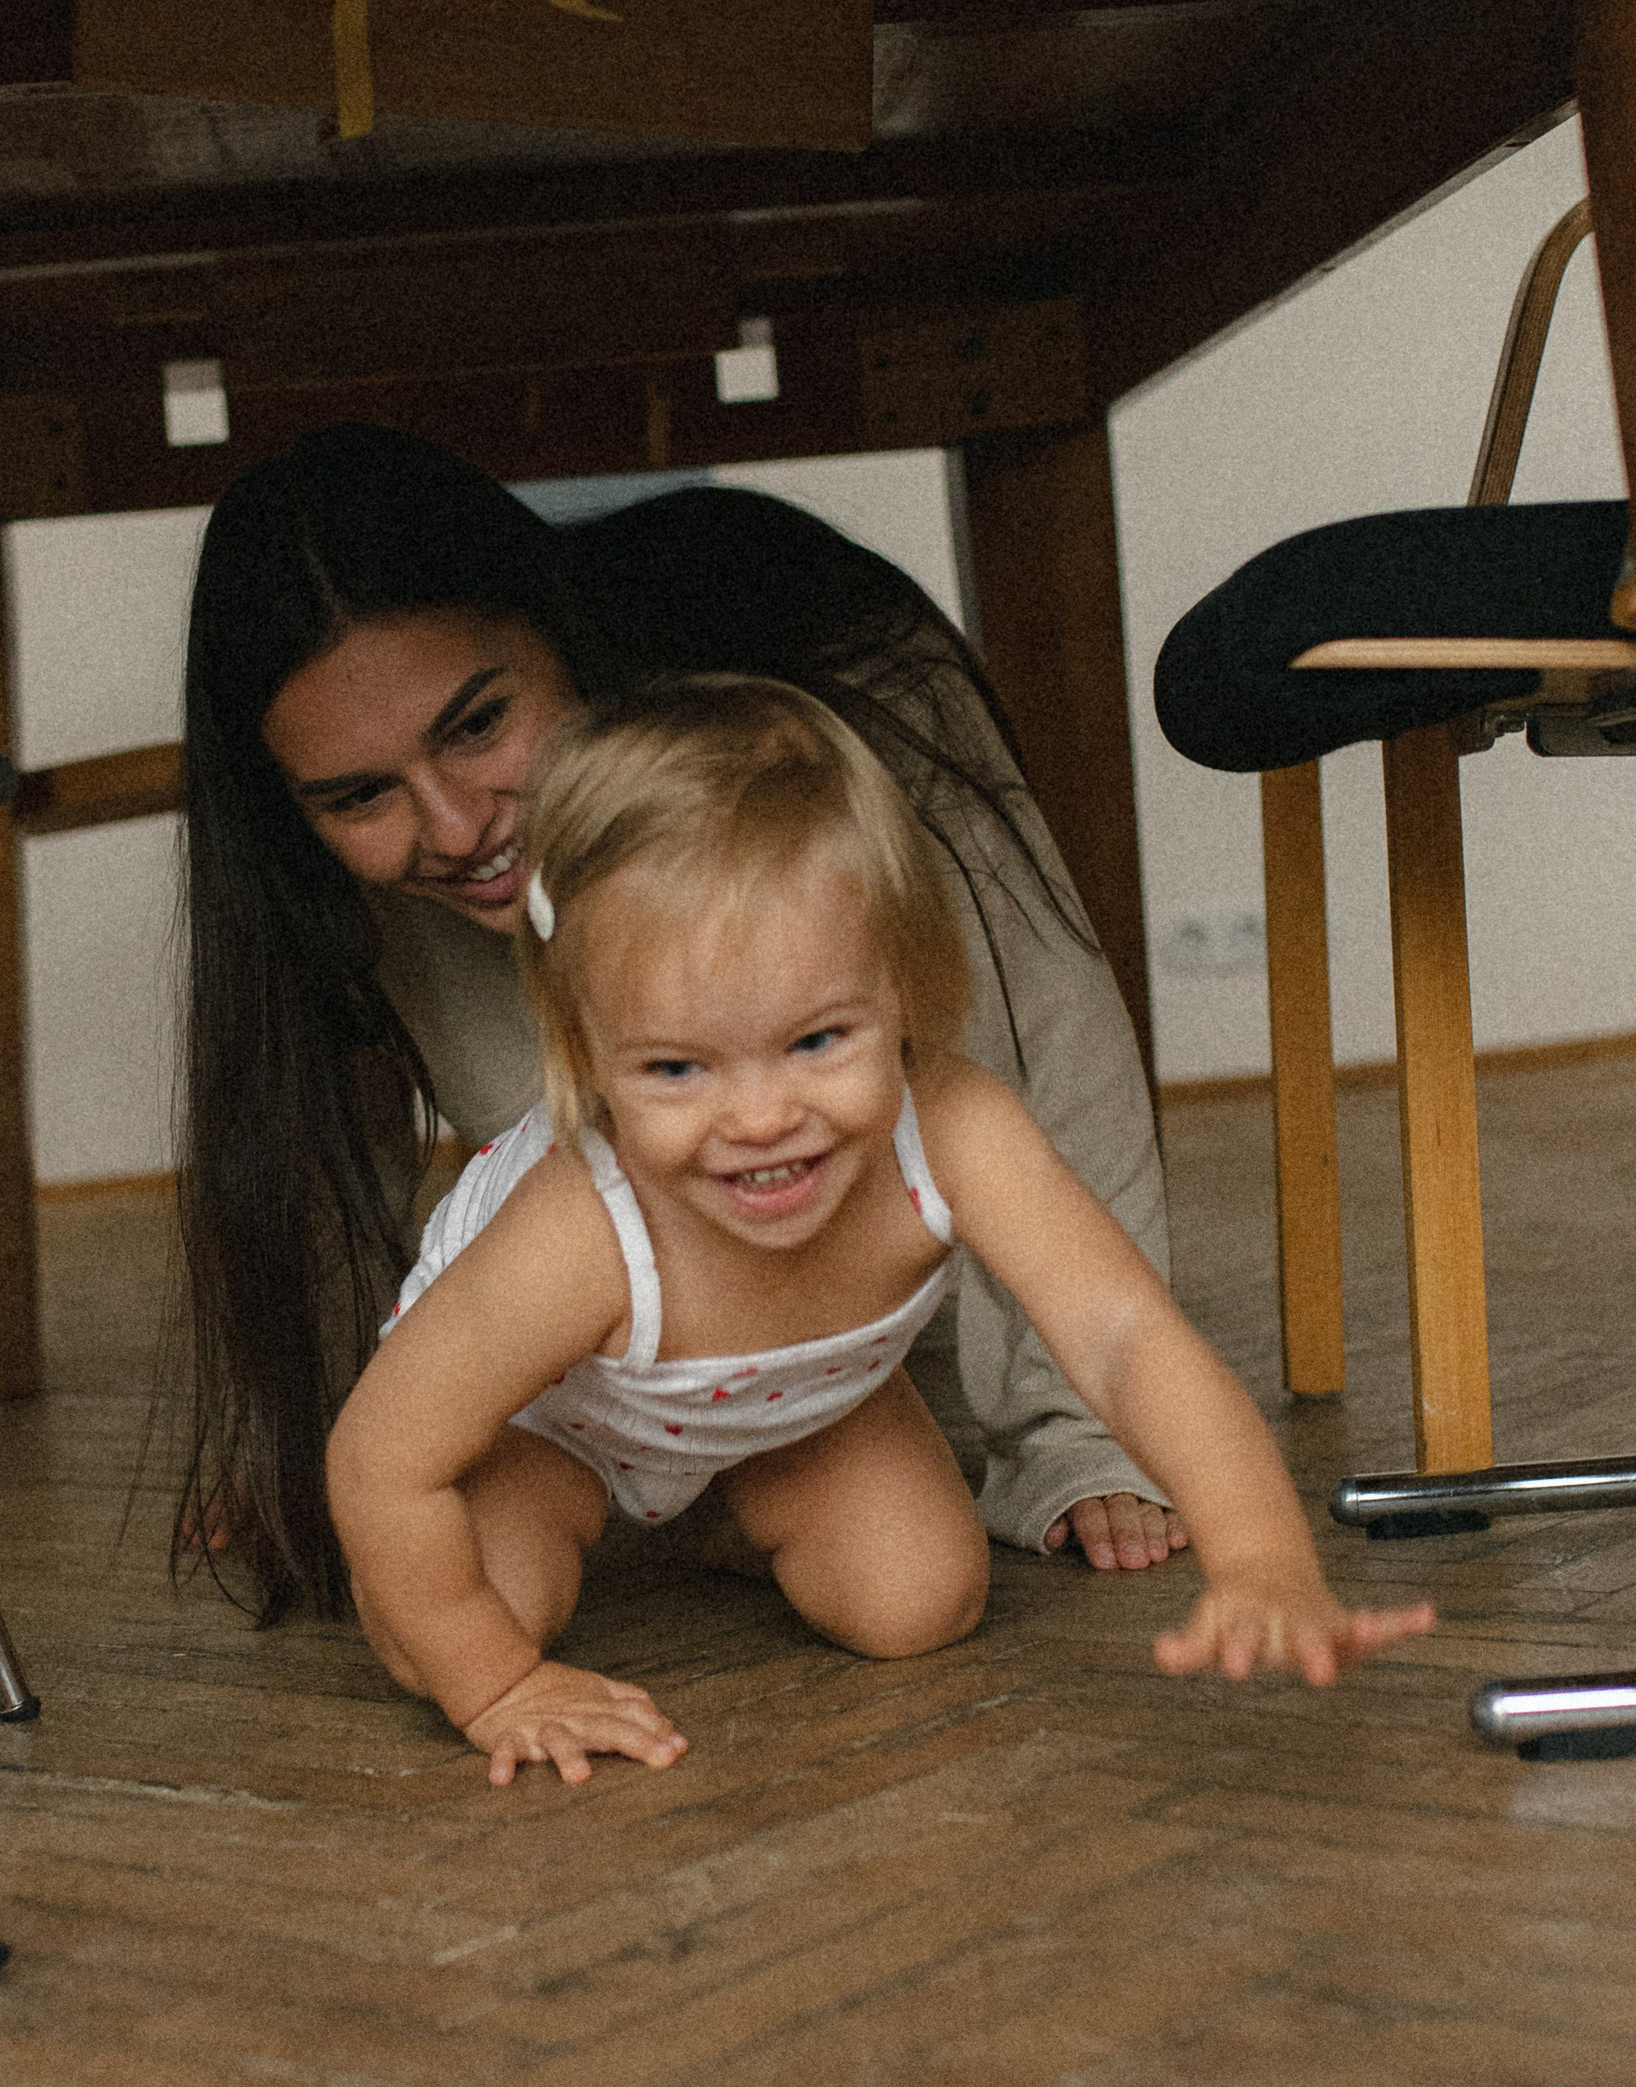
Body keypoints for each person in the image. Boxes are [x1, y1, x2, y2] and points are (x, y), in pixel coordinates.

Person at [327, 678, 1431, 1783]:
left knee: (918, 1601)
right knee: (457, 1618)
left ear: (904, 988)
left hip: (784, 1403)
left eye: (816, 1042)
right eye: (675, 1068)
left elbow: (1126, 1336)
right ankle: (570, 1555)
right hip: (547, 1424)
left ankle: (725, 1502)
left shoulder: (952, 1129)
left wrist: (1262, 1557)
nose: (761, 1119)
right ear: (582, 1055)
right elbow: (380, 1459)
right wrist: (498, 1685)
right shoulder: (575, 1231)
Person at [179, 420, 1178, 1620]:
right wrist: (313, 1422)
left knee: (912, 1592)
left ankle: (772, 1437)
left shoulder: (836, 687)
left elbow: (1044, 1014)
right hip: (598, 1345)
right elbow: (315, 1144)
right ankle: (671, 1451)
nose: (452, 826)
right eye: (358, 795)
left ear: (558, 631)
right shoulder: (352, 884)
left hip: (814, 1311)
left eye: (479, 724)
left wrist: (1082, 1432)